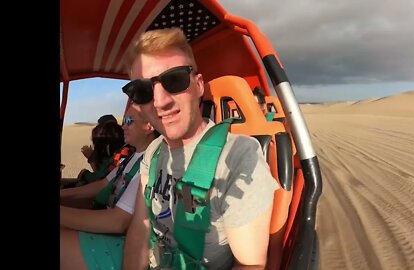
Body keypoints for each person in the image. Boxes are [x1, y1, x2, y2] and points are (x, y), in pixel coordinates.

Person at [122, 28, 279, 270]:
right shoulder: (153, 151)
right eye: (142, 91)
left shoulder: (237, 157)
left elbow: (251, 266)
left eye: (175, 80)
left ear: (198, 85)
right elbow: (140, 229)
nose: (160, 101)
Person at [60, 105, 159, 270]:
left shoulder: (151, 161)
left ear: (149, 126)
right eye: (123, 121)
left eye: (129, 121)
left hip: (125, 239)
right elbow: (102, 184)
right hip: (111, 220)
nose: (123, 126)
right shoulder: (129, 156)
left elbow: (119, 221)